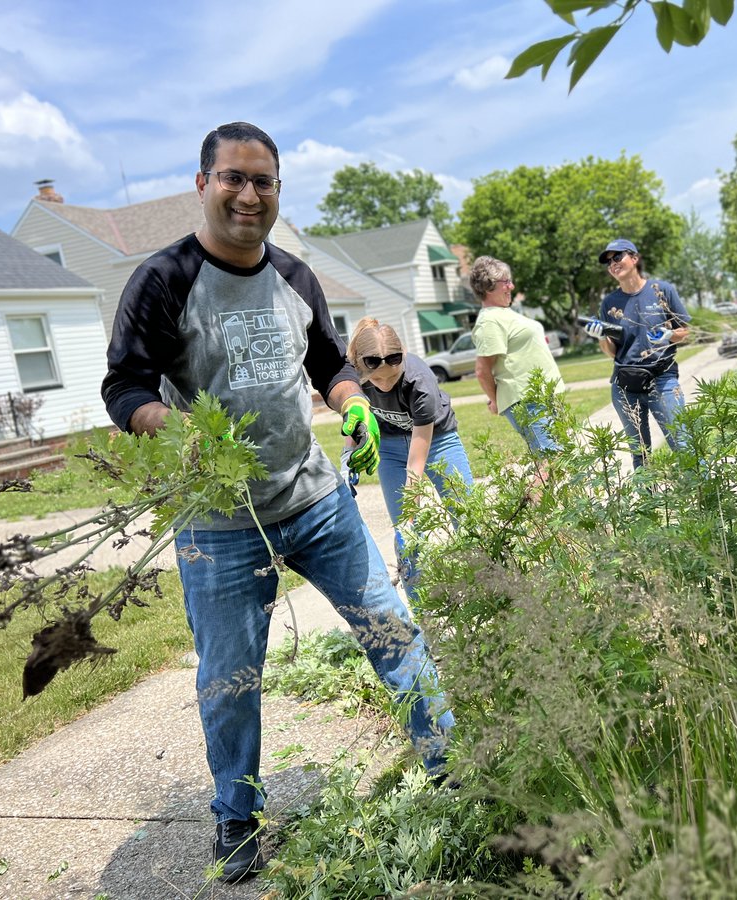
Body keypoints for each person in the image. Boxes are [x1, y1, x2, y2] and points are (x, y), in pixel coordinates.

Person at [101, 122, 454, 884]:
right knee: (230, 680)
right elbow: (123, 384)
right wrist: (175, 426)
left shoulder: (295, 274)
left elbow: (329, 361)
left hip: (316, 499)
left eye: (264, 181)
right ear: (203, 184)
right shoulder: (163, 281)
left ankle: (451, 762)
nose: (249, 194)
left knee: (392, 631)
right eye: (234, 178)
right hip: (221, 523)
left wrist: (354, 402)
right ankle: (236, 814)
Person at [345, 316, 473, 603]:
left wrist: (410, 511)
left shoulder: (420, 380)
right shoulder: (353, 374)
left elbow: (417, 459)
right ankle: (423, 606)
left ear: (402, 358)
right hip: (390, 446)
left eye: (393, 376)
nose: (386, 384)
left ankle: (487, 584)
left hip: (437, 440)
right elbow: (353, 418)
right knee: (407, 534)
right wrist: (348, 454)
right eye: (376, 380)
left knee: (467, 515)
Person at [583, 239, 691, 469]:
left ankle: (703, 501)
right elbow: (612, 352)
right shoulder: (610, 303)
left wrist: (669, 336)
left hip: (662, 380)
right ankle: (649, 503)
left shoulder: (661, 290)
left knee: (683, 444)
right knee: (640, 454)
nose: (613, 264)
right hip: (625, 386)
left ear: (634, 258)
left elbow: (685, 331)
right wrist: (601, 337)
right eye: (608, 262)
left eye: (617, 257)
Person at [470, 256, 566, 467]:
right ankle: (529, 501)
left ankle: (539, 501)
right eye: (506, 281)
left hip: (543, 395)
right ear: (488, 286)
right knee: (550, 461)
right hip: (527, 399)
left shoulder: (504, 313)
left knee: (556, 462)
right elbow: (482, 370)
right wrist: (497, 400)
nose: (511, 286)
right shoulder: (489, 321)